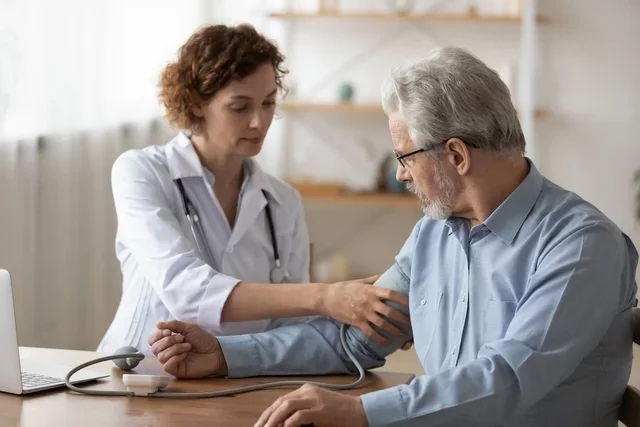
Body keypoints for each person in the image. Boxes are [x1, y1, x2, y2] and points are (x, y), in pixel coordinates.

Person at [149, 47, 638, 427]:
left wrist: (360, 412)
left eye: (404, 156)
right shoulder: (434, 234)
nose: (401, 175)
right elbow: (356, 337)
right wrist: (225, 355)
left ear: (457, 156)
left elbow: (509, 378)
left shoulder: (581, 245)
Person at [98, 24, 410, 354]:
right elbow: (186, 292)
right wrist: (326, 297)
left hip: (233, 378)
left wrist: (375, 317)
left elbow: (293, 325)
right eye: (240, 107)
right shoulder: (142, 171)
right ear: (197, 102)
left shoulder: (283, 201)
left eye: (268, 103)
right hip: (134, 374)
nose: (258, 122)